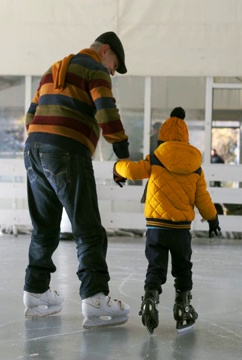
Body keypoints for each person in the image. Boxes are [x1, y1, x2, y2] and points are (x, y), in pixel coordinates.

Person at [22, 31, 131, 329]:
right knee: (88, 227)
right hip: (68, 152)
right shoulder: (94, 69)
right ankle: (96, 299)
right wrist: (122, 149)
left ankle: (36, 293)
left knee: (44, 227)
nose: (111, 71)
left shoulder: (52, 69)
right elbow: (106, 112)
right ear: (105, 50)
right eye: (113, 65)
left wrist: (43, 142)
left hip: (33, 151)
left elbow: (29, 117)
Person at [113, 107, 222, 335]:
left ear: (162, 136)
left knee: (156, 267)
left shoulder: (155, 158)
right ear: (185, 138)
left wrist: (117, 167)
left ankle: (150, 298)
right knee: (183, 269)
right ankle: (183, 307)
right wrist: (213, 219)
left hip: (156, 227)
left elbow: (132, 171)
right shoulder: (195, 166)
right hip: (181, 230)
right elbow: (203, 198)